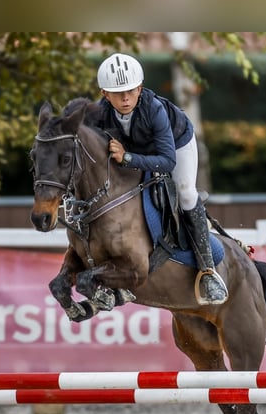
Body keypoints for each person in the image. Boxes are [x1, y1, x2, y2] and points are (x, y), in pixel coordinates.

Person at [94, 52, 228, 306]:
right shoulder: (99, 115)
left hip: (176, 144)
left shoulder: (154, 109)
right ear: (104, 94)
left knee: (186, 191)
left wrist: (128, 159)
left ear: (140, 88)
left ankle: (208, 271)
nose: (125, 98)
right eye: (117, 93)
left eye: (131, 91)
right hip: (138, 149)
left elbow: (167, 162)